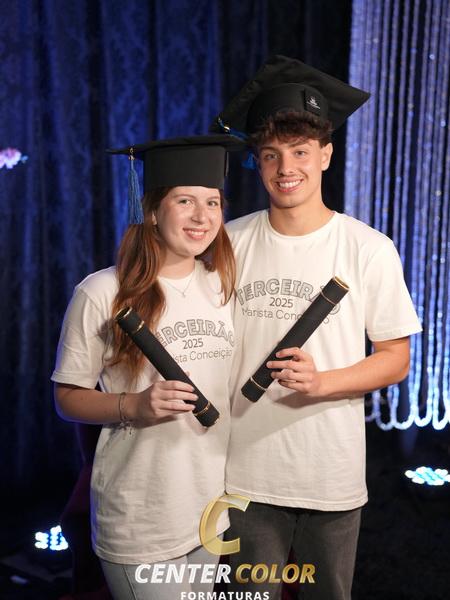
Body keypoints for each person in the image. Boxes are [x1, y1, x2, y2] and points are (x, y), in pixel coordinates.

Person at [211, 56, 422, 600]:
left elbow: (395, 358)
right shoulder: (228, 243)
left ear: (325, 155)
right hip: (244, 473)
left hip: (329, 473)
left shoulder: (368, 248)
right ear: (258, 163)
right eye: (271, 155)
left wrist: (322, 382)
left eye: (301, 152)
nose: (287, 167)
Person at [51, 134, 244, 600]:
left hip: (210, 508)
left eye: (212, 203)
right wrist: (134, 405)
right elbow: (67, 399)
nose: (202, 217)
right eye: (184, 201)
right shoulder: (101, 292)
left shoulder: (223, 286)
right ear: (153, 211)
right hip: (141, 513)